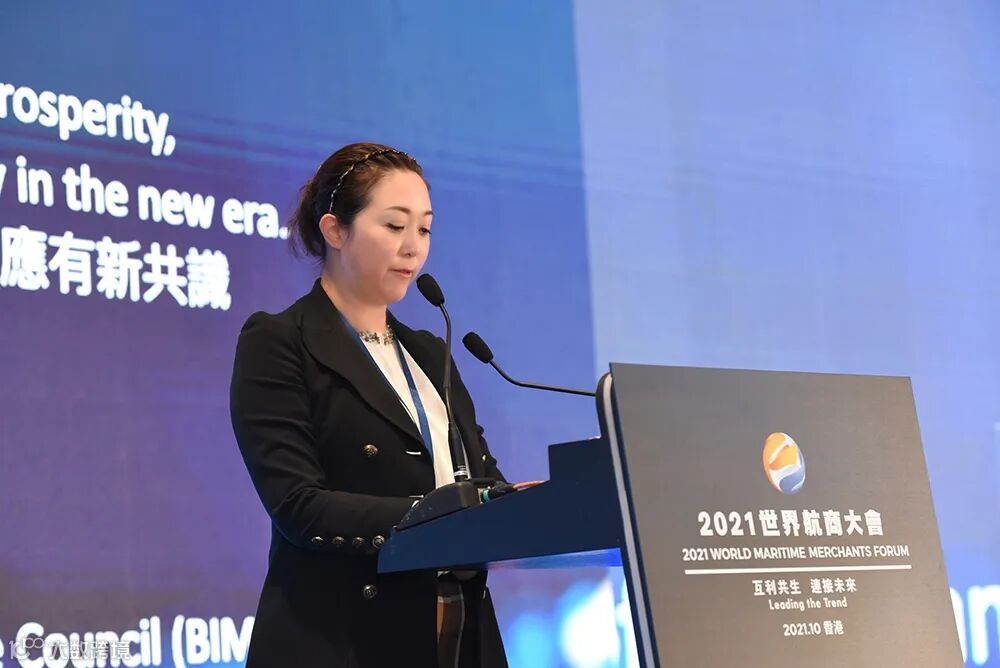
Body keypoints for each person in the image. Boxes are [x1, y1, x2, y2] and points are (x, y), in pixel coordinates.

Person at [229, 143, 508, 668]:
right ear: (335, 231)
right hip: (342, 639)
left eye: (424, 229)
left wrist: (513, 501)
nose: (413, 248)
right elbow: (298, 506)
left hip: (457, 636)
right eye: (395, 225)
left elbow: (481, 478)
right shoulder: (281, 341)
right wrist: (438, 516)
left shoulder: (429, 351)